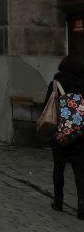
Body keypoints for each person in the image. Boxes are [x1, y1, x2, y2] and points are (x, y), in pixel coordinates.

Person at [45, 55, 84, 217]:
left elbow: (47, 105)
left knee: (58, 168)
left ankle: (58, 201)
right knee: (81, 172)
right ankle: (82, 206)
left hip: (60, 132)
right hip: (81, 134)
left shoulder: (56, 84)